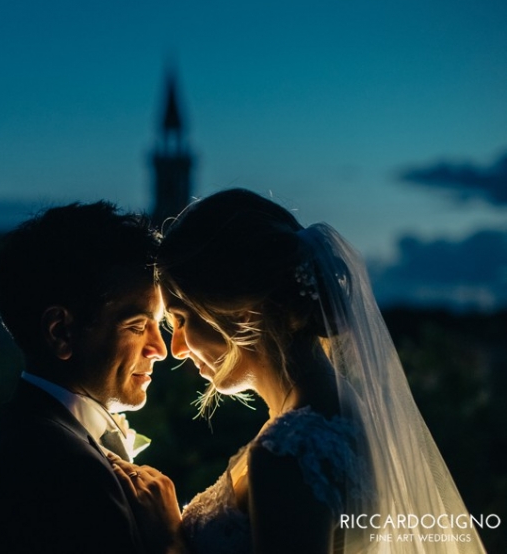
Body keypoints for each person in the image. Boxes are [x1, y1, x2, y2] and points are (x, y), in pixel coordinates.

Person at [110, 188, 485, 553]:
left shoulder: (288, 453)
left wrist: (169, 543)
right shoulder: (343, 413)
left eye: (181, 320)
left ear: (241, 311)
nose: (176, 347)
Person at [0, 201, 180, 554]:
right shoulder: (63, 466)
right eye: (137, 326)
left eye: (159, 326)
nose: (160, 349)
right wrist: (170, 545)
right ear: (61, 331)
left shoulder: (26, 432)